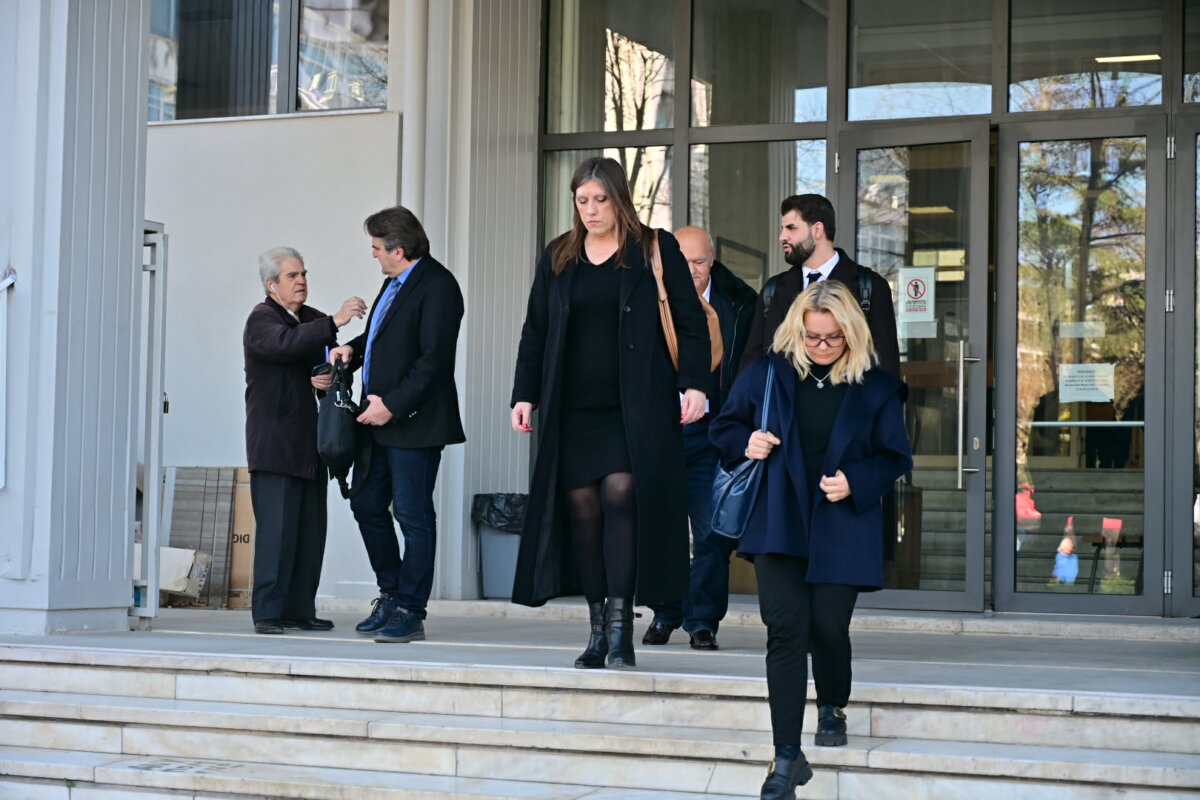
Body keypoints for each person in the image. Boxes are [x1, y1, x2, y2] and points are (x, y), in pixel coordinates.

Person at [710, 281, 911, 798]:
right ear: (796, 331)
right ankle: (785, 757)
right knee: (785, 632)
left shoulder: (875, 387)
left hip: (843, 523)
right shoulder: (767, 374)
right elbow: (724, 428)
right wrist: (747, 441)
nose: (821, 346)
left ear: (852, 334)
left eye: (833, 338)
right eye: (812, 337)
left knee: (828, 629)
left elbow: (895, 456)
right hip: (779, 520)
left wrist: (856, 482)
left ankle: (832, 704)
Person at [509, 156, 711, 669]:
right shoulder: (559, 253)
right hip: (572, 408)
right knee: (583, 510)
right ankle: (597, 629)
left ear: (619, 199)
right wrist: (524, 394)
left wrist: (694, 384)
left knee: (621, 493)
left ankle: (622, 630)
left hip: (635, 405)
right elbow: (535, 329)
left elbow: (689, 321)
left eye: (600, 199)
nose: (591, 210)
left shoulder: (653, 248)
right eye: (582, 200)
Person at [328, 207, 465, 644]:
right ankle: (391, 594)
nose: (373, 255)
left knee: (412, 516)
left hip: (414, 424)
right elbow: (381, 337)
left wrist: (393, 405)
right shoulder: (394, 282)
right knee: (367, 505)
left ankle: (411, 609)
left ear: (398, 250)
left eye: (376, 248)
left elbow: (434, 361)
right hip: (376, 422)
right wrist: (351, 351)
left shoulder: (439, 286)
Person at [644, 225, 757, 651]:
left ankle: (702, 621)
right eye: (681, 261)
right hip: (659, 433)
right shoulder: (648, 300)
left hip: (713, 433)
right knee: (660, 530)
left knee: (712, 532)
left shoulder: (739, 305)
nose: (690, 270)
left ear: (713, 261)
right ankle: (665, 613)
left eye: (699, 261)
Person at [242, 246, 366, 635]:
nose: (301, 281)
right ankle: (268, 613)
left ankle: (299, 610)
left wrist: (334, 368)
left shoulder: (311, 319)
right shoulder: (262, 319)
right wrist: (336, 320)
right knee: (277, 534)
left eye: (304, 274)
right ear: (271, 284)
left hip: (313, 446)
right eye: (292, 276)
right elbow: (284, 345)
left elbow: (322, 359)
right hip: (276, 446)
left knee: (310, 533)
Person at [740, 194, 899, 378]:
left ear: (817, 230)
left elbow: (886, 364)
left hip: (847, 395)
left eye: (791, 228)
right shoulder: (773, 289)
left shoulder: (870, 287)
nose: (782, 236)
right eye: (783, 228)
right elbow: (751, 366)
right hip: (785, 396)